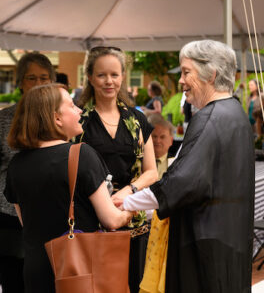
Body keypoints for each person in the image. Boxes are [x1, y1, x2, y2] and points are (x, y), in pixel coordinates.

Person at [117, 40, 255, 293]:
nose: (181, 80)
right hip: (230, 238)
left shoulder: (209, 117)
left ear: (210, 74)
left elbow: (181, 184)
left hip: (203, 245)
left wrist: (126, 201)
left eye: (186, 72)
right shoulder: (236, 113)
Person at [3, 84, 133, 293]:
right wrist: (132, 207)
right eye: (72, 105)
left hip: (35, 273)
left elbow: (28, 223)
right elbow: (111, 220)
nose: (79, 110)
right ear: (56, 118)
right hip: (78, 272)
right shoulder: (81, 154)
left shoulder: (16, 165)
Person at [76, 46, 158, 293]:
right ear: (90, 77)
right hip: (92, 222)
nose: (109, 81)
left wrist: (129, 191)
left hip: (133, 220)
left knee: (134, 285)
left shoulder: (137, 120)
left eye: (114, 74)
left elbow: (152, 171)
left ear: (123, 76)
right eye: (101, 75)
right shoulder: (80, 122)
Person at [0, 52, 55, 293]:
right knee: (14, 282)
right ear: (21, 82)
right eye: (32, 78)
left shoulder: (62, 118)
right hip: (9, 219)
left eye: (44, 78)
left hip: (51, 216)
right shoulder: (4, 120)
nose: (38, 84)